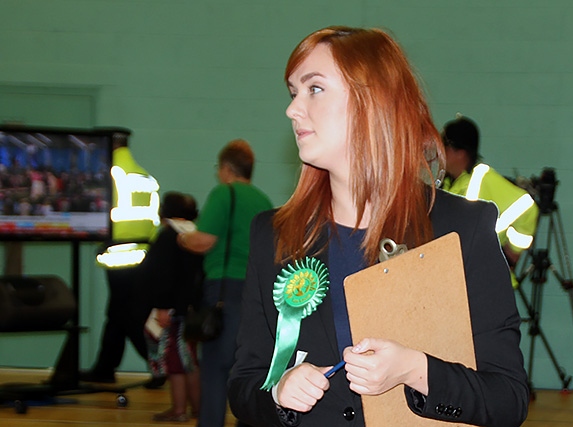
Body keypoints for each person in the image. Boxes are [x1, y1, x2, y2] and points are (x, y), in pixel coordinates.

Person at [227, 26, 529, 427]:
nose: (293, 109)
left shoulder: (463, 229)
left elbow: (507, 399)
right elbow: (245, 385)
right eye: (292, 92)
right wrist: (278, 395)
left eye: (314, 88)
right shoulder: (272, 233)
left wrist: (415, 370)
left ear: (371, 102)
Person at [179, 139, 273, 427]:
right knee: (247, 366)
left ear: (226, 169)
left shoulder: (224, 193)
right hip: (257, 292)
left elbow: (204, 240)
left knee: (216, 369)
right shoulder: (263, 200)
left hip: (225, 289)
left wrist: (183, 236)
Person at [83, 133, 166, 389]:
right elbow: (154, 220)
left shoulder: (110, 175)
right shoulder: (146, 177)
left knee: (128, 316)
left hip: (118, 255)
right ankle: (104, 368)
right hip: (143, 254)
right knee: (118, 314)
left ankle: (160, 366)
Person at [441, 115, 539, 282]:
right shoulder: (447, 183)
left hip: (486, 281)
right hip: (460, 278)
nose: (440, 151)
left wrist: (511, 254)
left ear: (461, 153)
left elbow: (528, 207)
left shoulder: (482, 178)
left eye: (445, 146)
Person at [137, 191, 203, 422]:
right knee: (192, 360)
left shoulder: (167, 236)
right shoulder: (196, 235)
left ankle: (178, 410)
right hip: (194, 310)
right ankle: (198, 409)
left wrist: (162, 306)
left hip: (174, 311)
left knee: (175, 362)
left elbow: (162, 274)